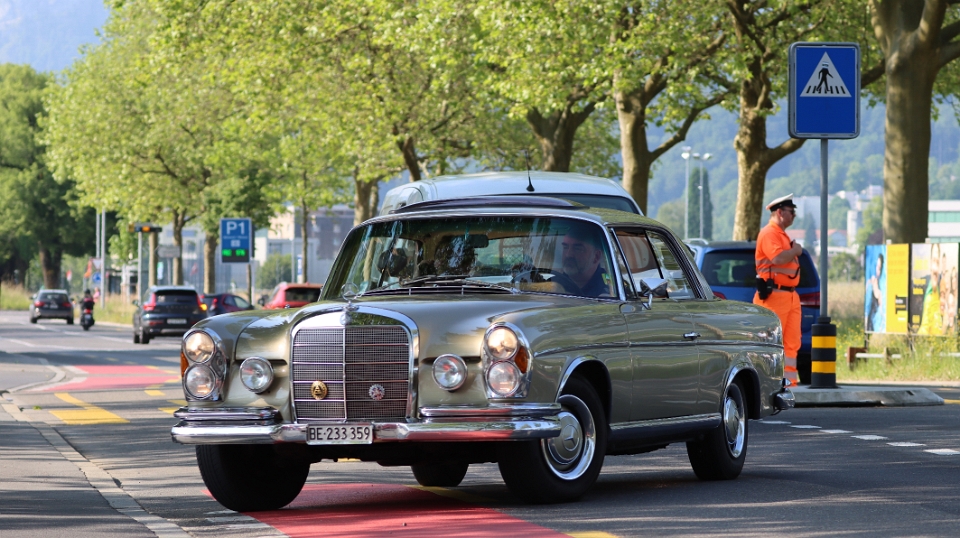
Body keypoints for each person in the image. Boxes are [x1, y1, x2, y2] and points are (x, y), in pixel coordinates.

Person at [754, 193, 803, 387]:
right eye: (792, 212)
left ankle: (789, 384)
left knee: (792, 343)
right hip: (773, 295)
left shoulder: (780, 235)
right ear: (780, 213)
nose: (794, 216)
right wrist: (795, 251)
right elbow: (778, 258)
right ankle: (768, 383)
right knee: (771, 341)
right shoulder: (769, 233)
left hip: (789, 295)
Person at [550, 224, 612, 298]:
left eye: (577, 249)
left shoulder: (609, 289)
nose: (568, 254)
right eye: (565, 247)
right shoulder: (553, 282)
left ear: (596, 256)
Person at [866, 253, 884, 332]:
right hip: (867, 322)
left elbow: (881, 313)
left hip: (872, 324)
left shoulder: (879, 292)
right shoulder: (869, 283)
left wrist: (881, 327)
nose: (877, 270)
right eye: (877, 266)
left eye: (879, 268)